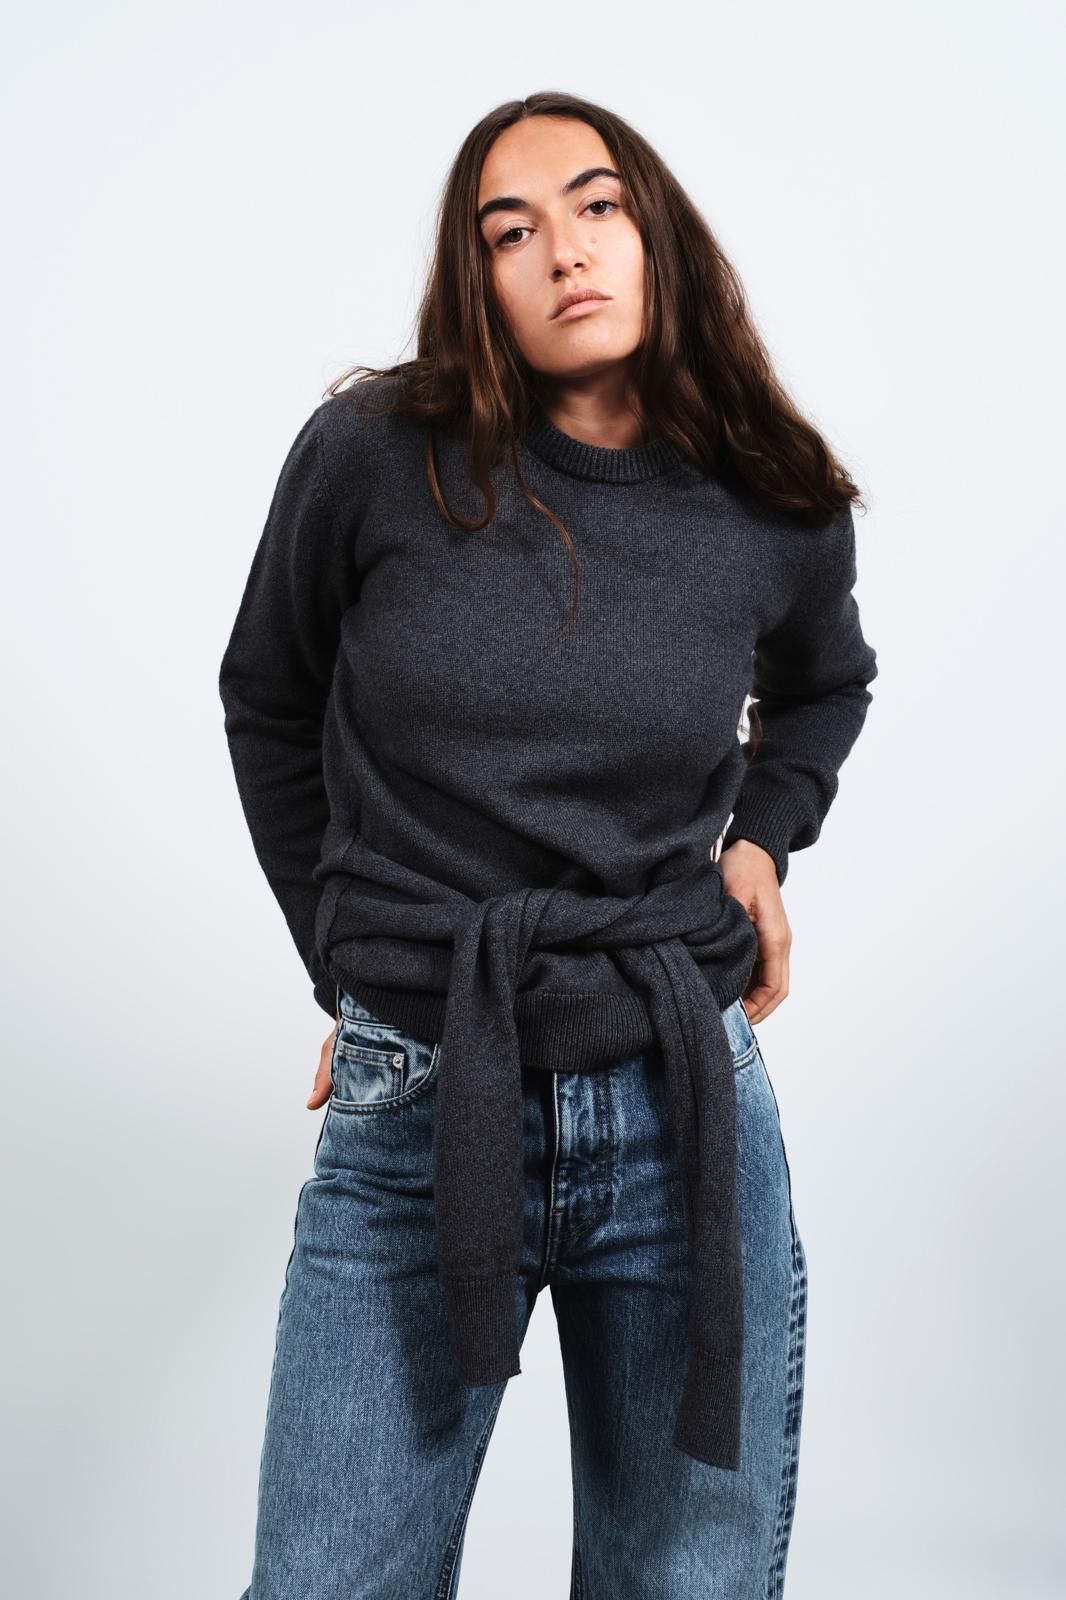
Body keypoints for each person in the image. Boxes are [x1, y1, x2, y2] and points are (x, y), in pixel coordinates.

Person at [219, 90, 878, 1600]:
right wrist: (351, 961)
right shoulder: (374, 455)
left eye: (595, 206)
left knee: (683, 1582)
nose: (563, 253)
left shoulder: (768, 496)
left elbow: (825, 685)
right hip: (419, 1079)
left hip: (679, 1091)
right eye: (508, 232)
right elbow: (268, 697)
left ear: (656, 231)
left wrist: (762, 842)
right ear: (477, 281)